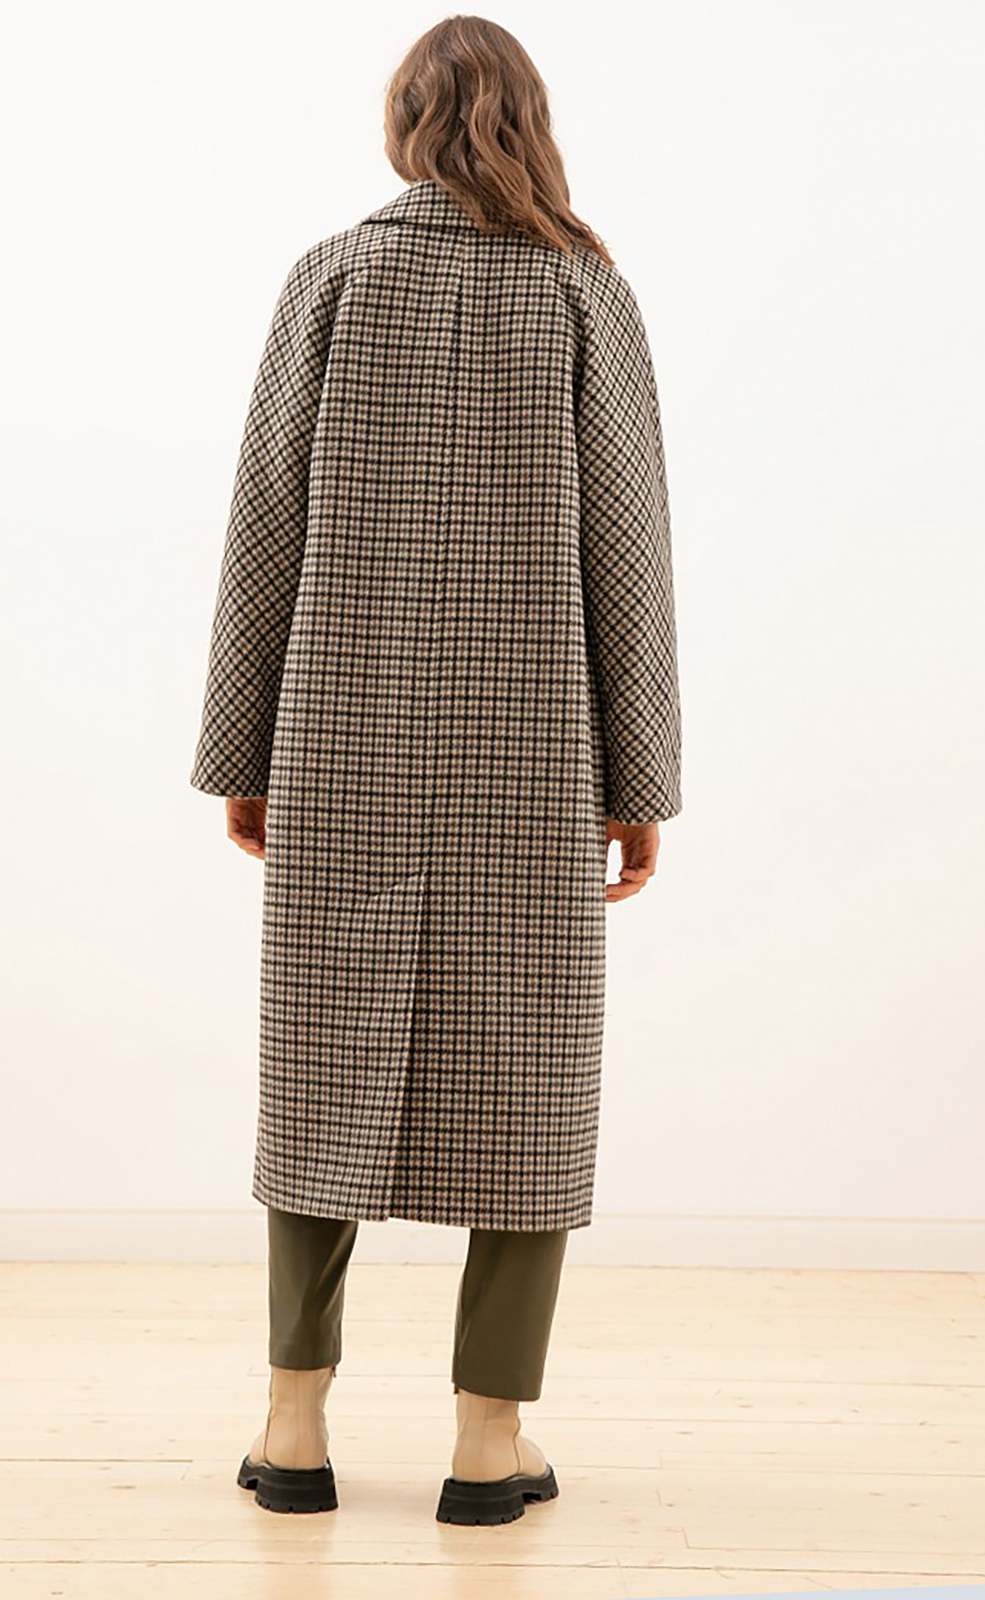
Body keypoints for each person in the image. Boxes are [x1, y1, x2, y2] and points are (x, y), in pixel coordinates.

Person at [189, 14, 682, 1527]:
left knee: (318, 1062)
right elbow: (629, 550)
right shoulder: (585, 291)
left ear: (403, 120)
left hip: (341, 738)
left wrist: (243, 748)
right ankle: (487, 1442)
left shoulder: (331, 277)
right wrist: (639, 778)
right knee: (531, 1079)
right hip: (534, 753)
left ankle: (294, 1430)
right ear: (531, 120)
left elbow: (265, 524)